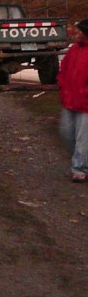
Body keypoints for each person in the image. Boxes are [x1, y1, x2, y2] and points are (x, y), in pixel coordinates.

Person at [58, 19, 88, 183]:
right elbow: (63, 69)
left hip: (85, 104)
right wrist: (62, 87)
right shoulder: (73, 50)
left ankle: (79, 169)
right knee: (67, 134)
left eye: (78, 31)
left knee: (83, 139)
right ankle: (81, 162)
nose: (74, 33)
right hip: (69, 100)